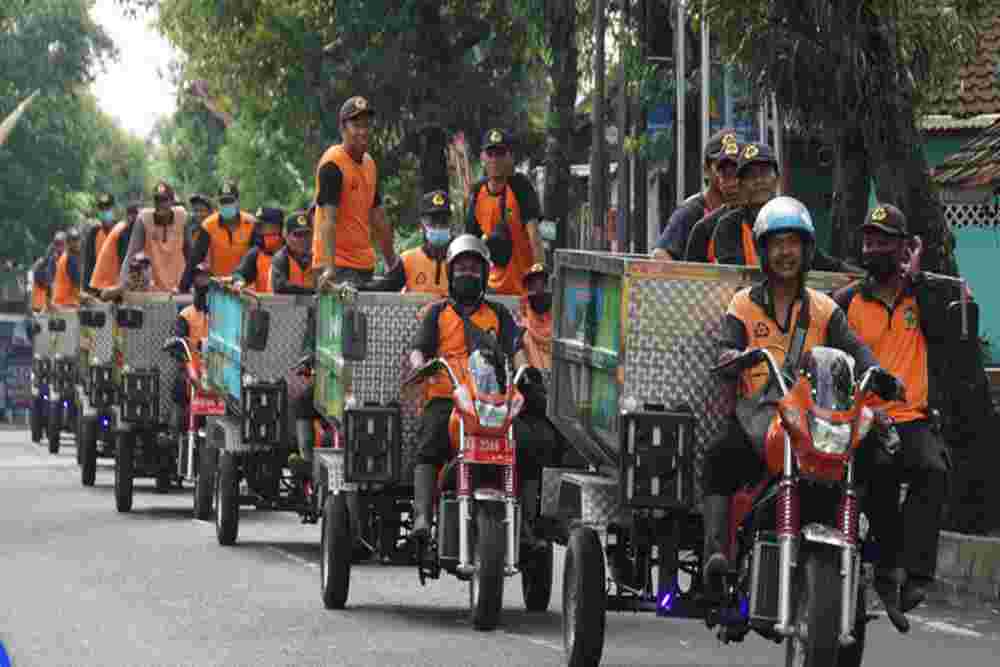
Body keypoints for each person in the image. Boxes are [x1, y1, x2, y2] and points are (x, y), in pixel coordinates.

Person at [700, 196, 887, 598]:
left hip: (814, 422)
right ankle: (717, 558)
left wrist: (878, 371)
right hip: (759, 420)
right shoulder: (742, 303)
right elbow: (726, 346)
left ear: (807, 249)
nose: (786, 253)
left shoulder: (824, 309)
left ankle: (875, 564)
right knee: (718, 455)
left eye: (793, 243)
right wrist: (731, 356)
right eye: (777, 244)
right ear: (763, 251)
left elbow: (857, 350)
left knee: (875, 454)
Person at [833, 204, 965, 628]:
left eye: (884, 241)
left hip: (913, 417)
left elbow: (947, 337)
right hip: (865, 419)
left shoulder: (922, 298)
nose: (874, 248)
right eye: (869, 240)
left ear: (904, 247)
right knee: (881, 471)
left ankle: (917, 573)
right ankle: (886, 571)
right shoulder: (847, 301)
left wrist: (918, 278)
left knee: (933, 470)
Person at [408, 234, 535, 541]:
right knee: (430, 439)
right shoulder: (438, 312)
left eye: (474, 268)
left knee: (527, 443)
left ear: (484, 273)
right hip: (447, 398)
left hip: (491, 401)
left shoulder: (498, 313)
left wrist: (525, 370)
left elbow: (516, 348)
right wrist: (420, 366)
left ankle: (526, 521)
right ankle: (422, 517)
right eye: (461, 268)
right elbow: (418, 349)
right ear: (451, 272)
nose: (468, 273)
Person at [708, 143, 855, 272]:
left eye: (764, 173)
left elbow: (821, 262)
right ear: (740, 185)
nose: (759, 180)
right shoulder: (728, 226)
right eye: (751, 175)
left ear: (777, 179)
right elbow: (735, 276)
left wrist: (860, 275)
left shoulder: (792, 218)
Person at [311, 96, 397, 288]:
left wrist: (392, 263)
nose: (363, 131)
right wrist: (329, 269)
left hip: (363, 265)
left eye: (367, 125)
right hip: (337, 266)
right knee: (346, 308)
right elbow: (328, 220)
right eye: (356, 126)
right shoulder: (333, 163)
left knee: (369, 309)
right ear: (343, 128)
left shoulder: (369, 164)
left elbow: (379, 218)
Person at [465, 128, 544, 296]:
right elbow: (471, 241)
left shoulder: (521, 187)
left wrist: (539, 279)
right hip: (490, 290)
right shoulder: (478, 191)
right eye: (490, 154)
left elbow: (535, 237)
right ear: (482, 157)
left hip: (523, 288)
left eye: (500, 154)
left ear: (510, 157)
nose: (495, 160)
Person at [654, 129, 742, 261]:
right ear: (706, 170)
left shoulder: (751, 211)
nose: (732, 179)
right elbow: (660, 256)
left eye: (737, 168)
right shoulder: (691, 213)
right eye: (722, 169)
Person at [361, 190, 452, 295]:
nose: (438, 226)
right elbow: (385, 286)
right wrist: (357, 288)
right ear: (422, 224)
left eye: (444, 221)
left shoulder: (458, 259)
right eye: (433, 221)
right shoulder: (408, 260)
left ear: (450, 222)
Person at [180, 182, 256, 291]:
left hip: (246, 288)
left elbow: (257, 256)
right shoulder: (209, 225)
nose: (226, 205)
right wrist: (182, 287)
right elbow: (195, 258)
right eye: (223, 202)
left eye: (230, 201)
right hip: (219, 288)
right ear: (218, 203)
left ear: (237, 201)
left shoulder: (251, 223)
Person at [120, 182, 189, 292]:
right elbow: (131, 254)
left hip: (178, 286)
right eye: (157, 200)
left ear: (172, 201)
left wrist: (190, 282)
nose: (160, 204)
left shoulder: (181, 216)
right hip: (153, 287)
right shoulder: (144, 219)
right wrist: (123, 283)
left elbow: (189, 252)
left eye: (164, 200)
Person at [172, 262, 211, 433]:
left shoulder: (220, 314)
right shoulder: (185, 315)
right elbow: (178, 340)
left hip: (215, 372)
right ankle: (179, 432)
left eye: (206, 277)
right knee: (180, 386)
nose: (202, 281)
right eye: (199, 277)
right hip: (192, 370)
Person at [90, 201, 140, 300]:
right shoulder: (123, 231)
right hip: (107, 285)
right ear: (130, 216)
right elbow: (125, 259)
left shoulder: (122, 226)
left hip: (103, 283)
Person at [232, 207, 285, 294]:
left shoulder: (291, 251)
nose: (257, 231)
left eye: (261, 226)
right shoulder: (255, 253)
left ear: (277, 227)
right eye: (257, 227)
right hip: (264, 302)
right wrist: (239, 281)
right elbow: (240, 274)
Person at [271, 209, 315, 295]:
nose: (303, 239)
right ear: (286, 236)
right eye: (298, 234)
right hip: (281, 303)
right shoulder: (281, 258)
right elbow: (280, 287)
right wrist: (313, 291)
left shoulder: (317, 257)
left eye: (307, 234)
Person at [81, 193, 118, 294]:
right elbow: (88, 264)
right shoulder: (93, 233)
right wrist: (87, 290)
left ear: (114, 210)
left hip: (117, 290)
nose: (105, 212)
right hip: (97, 291)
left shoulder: (121, 231)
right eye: (102, 209)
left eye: (108, 208)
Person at [49, 228, 83, 309]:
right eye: (57, 244)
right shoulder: (70, 259)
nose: (76, 243)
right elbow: (76, 289)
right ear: (67, 243)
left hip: (59, 303)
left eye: (77, 239)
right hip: (67, 305)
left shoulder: (65, 258)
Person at [185, 193, 214, 259]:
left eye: (202, 210)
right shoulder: (190, 229)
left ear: (210, 211)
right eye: (195, 210)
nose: (198, 214)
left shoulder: (216, 229)